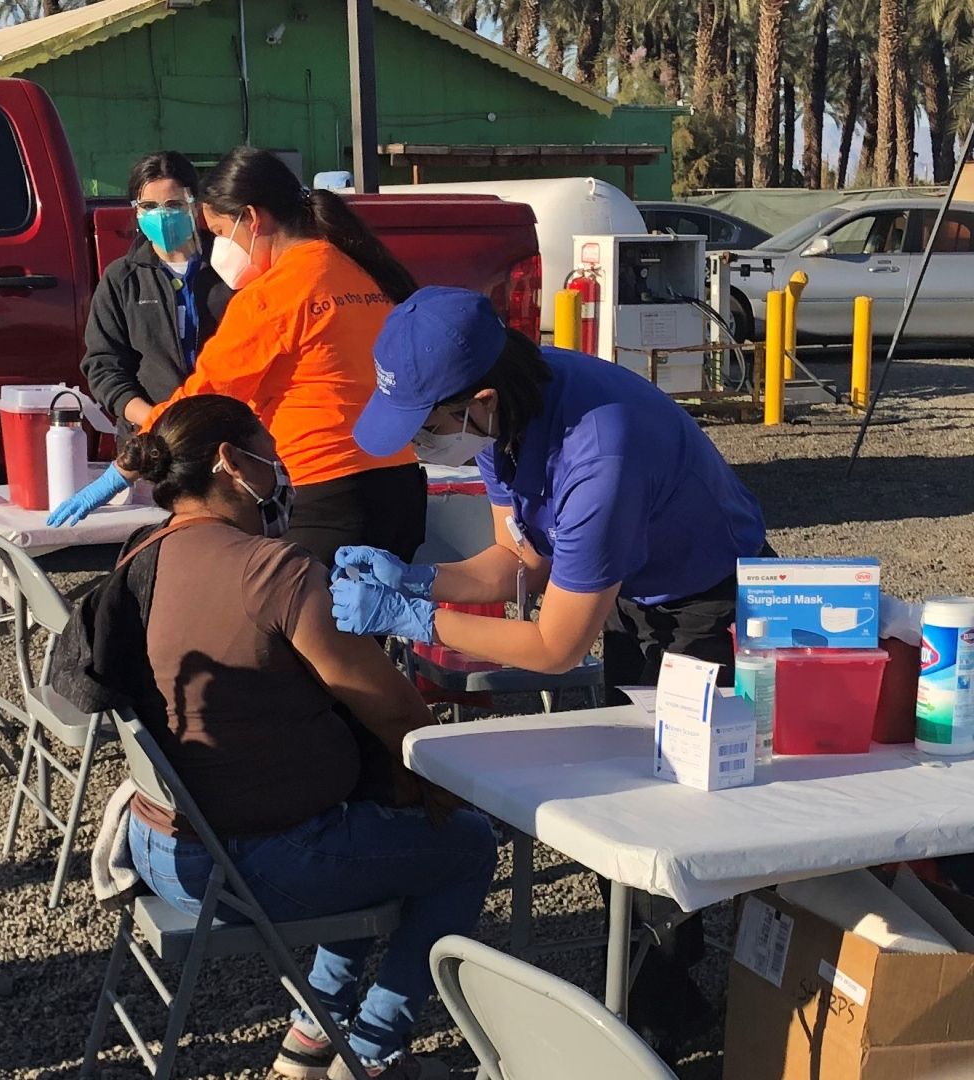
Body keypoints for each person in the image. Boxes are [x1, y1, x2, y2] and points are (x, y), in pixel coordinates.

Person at [330, 285, 770, 1054]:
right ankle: (651, 992)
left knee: (679, 821)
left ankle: (662, 1026)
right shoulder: (510, 420)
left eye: (428, 425)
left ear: (481, 399)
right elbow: (518, 560)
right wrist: (415, 577)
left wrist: (416, 620)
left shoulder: (599, 450)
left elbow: (556, 645)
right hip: (637, 595)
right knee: (629, 799)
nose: (422, 444)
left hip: (715, 605)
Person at [106, 394, 496, 1080]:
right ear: (232, 463)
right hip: (247, 863)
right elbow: (395, 711)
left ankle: (316, 1036)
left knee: (356, 821)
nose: (281, 464)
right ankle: (370, 1051)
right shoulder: (274, 569)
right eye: (268, 445)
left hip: (156, 839)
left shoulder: (140, 553)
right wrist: (450, 789)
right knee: (464, 844)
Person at [51, 147, 428, 568]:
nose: (219, 248)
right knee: (367, 627)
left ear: (251, 218)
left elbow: (205, 392)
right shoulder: (358, 271)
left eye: (220, 231)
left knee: (288, 629)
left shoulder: (272, 296)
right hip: (400, 484)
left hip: (326, 490)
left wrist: (124, 468)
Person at [76, 151, 235, 438]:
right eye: (149, 206)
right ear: (136, 211)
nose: (162, 216)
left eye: (173, 205)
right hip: (151, 437)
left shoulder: (232, 269)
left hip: (224, 432)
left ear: (194, 206)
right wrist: (152, 418)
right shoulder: (121, 279)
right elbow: (103, 366)